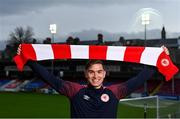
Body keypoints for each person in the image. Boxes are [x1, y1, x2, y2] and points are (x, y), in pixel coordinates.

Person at [17, 45, 169, 118]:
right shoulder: (74, 90)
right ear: (86, 74)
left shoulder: (115, 92)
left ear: (104, 74)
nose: (95, 76)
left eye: (99, 72)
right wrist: (28, 60)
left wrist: (158, 59)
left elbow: (139, 79)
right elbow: (49, 77)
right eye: (91, 72)